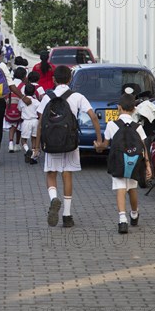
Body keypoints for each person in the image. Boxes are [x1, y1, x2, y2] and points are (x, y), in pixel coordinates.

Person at [34, 65, 102, 228]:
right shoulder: (77, 96)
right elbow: (93, 116)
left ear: (54, 80)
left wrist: (36, 147)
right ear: (70, 79)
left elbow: (40, 123)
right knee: (67, 175)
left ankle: (53, 199)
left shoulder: (47, 97)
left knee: (51, 174)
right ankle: (67, 216)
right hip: (70, 143)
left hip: (51, 142)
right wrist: (99, 139)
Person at [94, 93, 152, 234]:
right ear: (133, 109)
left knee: (120, 188)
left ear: (118, 108)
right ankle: (134, 213)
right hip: (134, 162)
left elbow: (105, 145)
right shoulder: (138, 127)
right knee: (132, 188)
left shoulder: (112, 125)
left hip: (118, 162)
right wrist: (148, 165)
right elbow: (144, 146)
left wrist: (98, 146)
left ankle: (122, 220)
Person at [4, 67, 27, 153]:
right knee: (19, 126)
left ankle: (10, 143)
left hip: (10, 107)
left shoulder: (10, 83)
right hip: (19, 109)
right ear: (24, 76)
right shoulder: (23, 86)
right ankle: (17, 144)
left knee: (12, 126)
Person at [18, 83, 40, 164]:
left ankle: (27, 150)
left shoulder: (21, 101)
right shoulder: (36, 102)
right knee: (34, 138)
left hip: (26, 122)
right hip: (35, 121)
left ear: (24, 91)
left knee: (23, 139)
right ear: (34, 92)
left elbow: (19, 109)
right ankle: (33, 156)